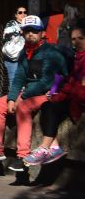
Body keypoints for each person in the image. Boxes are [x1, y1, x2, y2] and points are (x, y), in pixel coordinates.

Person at [0, 14, 68, 172]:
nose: (30, 34)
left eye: (35, 31)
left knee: (23, 107)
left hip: (47, 93)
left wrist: (22, 97)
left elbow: (45, 81)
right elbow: (19, 77)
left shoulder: (50, 52)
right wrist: (12, 98)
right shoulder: (24, 53)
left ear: (42, 33)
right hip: (30, 92)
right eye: (27, 31)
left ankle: (23, 156)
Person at [24, 20, 85, 166]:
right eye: (73, 39)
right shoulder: (74, 58)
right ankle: (53, 147)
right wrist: (57, 95)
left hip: (80, 101)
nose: (76, 42)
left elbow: (81, 92)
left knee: (51, 106)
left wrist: (66, 87)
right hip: (73, 99)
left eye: (81, 39)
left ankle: (45, 147)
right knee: (47, 105)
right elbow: (70, 85)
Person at [3, 4, 28, 85]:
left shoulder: (28, 24)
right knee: (14, 81)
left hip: (25, 56)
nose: (23, 14)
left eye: (25, 12)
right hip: (13, 57)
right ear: (16, 15)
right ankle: (13, 97)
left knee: (24, 81)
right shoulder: (11, 23)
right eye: (20, 12)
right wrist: (21, 32)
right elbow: (8, 35)